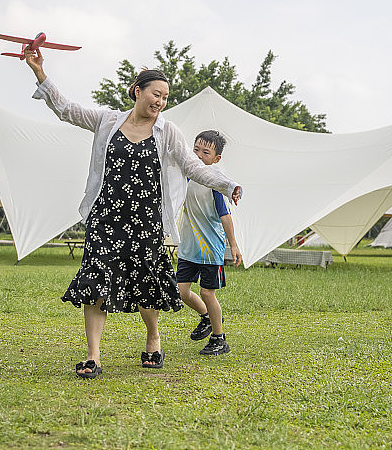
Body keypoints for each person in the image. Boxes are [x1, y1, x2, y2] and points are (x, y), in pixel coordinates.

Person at [23, 48, 242, 377]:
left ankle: (153, 339)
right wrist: (40, 72)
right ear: (138, 91)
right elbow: (66, 110)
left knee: (146, 284)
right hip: (106, 217)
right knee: (96, 282)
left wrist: (227, 185)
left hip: (146, 220)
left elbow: (194, 167)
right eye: (156, 94)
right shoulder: (108, 120)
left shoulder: (168, 133)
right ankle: (94, 356)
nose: (161, 101)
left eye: (166, 97)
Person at [176, 130, 242, 355]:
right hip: (188, 247)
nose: (199, 155)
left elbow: (225, 215)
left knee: (207, 293)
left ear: (216, 159)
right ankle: (207, 317)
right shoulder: (186, 175)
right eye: (196, 150)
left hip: (210, 249)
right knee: (181, 291)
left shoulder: (215, 182)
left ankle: (219, 338)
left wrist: (233, 245)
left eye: (206, 152)